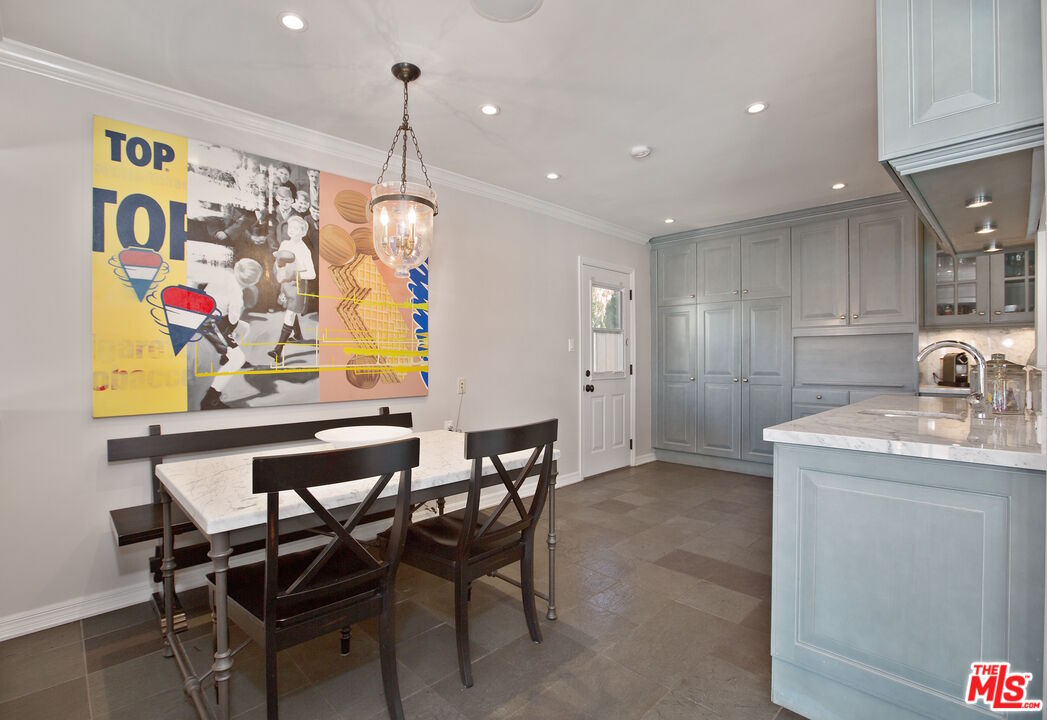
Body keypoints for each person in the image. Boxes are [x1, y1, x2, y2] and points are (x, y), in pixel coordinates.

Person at [199, 258, 263, 410]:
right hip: (209, 322)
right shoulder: (237, 295)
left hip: (203, 310)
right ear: (251, 283)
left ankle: (225, 356)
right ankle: (210, 399)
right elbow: (233, 319)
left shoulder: (225, 275)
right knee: (238, 359)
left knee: (245, 328)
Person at [268, 215, 316, 364]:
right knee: (289, 309)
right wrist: (279, 267)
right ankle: (298, 335)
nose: (292, 231)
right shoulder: (284, 244)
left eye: (296, 229)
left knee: (289, 314)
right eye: (291, 228)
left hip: (298, 286)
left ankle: (278, 351)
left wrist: (295, 274)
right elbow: (278, 263)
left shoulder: (304, 250)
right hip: (286, 284)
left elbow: (312, 274)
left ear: (303, 232)